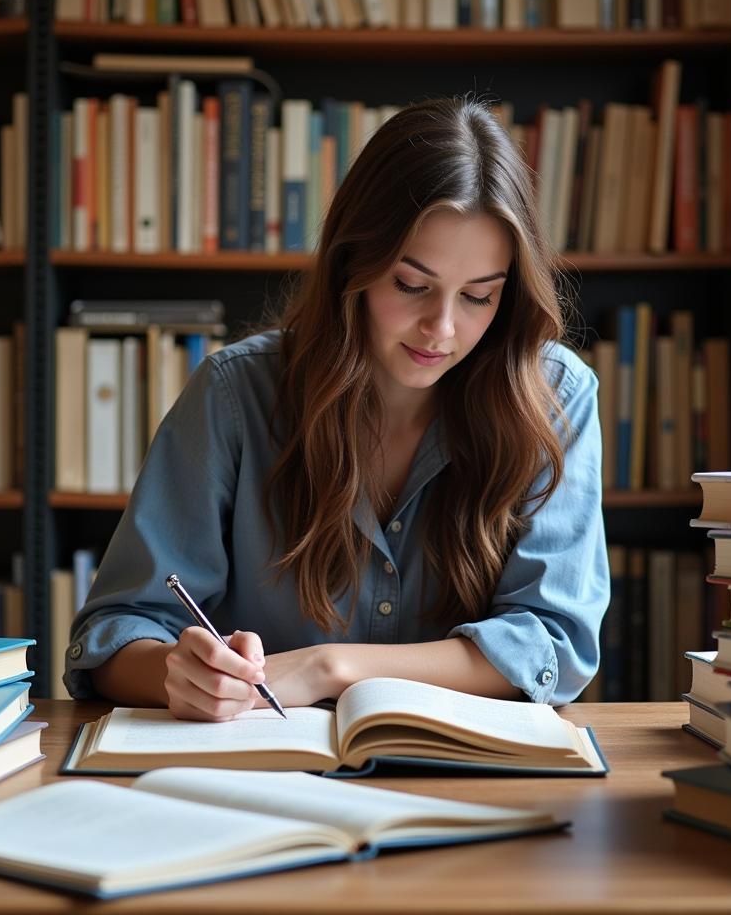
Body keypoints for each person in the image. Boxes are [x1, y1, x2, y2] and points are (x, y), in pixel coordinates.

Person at [64, 97, 609, 721]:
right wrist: (180, 676)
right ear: (354, 262)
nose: (443, 328)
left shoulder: (556, 399)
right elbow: (114, 632)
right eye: (411, 285)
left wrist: (329, 667)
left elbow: (554, 644)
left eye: (479, 297)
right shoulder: (234, 394)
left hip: (463, 784)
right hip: (261, 786)